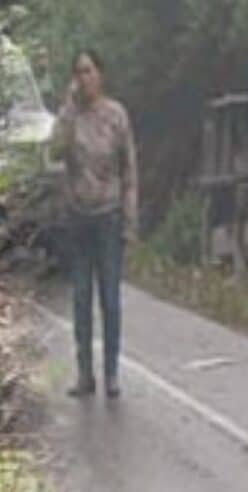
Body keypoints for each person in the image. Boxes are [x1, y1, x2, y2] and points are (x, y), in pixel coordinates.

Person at [50, 49, 138, 398]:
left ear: (100, 74)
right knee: (81, 299)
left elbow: (129, 169)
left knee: (110, 299)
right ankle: (85, 373)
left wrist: (130, 220)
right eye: (78, 72)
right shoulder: (69, 117)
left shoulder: (116, 115)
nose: (84, 78)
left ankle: (111, 372)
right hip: (79, 217)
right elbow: (55, 151)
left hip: (109, 216)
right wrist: (69, 110)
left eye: (89, 71)